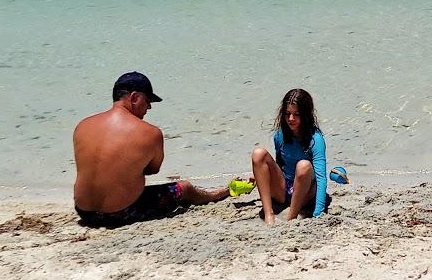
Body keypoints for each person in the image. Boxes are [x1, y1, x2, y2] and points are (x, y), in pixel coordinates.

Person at [73, 72, 228, 228]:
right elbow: (152, 170)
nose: (149, 107)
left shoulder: (82, 125)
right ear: (134, 97)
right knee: (184, 188)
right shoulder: (150, 133)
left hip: (84, 211)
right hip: (120, 212)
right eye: (147, 101)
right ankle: (219, 193)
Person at [249, 88, 330, 224]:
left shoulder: (316, 140)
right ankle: (269, 214)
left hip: (305, 193)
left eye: (296, 114)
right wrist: (262, 176)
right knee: (259, 154)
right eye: (287, 114)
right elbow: (280, 165)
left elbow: (321, 179)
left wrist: (318, 214)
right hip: (284, 190)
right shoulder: (280, 135)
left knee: (303, 166)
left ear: (305, 115)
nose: (290, 119)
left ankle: (291, 218)